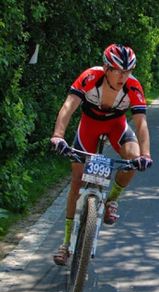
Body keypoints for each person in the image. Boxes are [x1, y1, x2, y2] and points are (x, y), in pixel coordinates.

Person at [50, 44, 153, 266]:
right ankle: (66, 244)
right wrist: (59, 136)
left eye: (128, 71)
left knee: (132, 162)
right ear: (106, 68)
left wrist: (145, 154)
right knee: (77, 181)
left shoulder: (133, 87)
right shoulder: (90, 77)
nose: (124, 77)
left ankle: (111, 200)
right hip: (89, 126)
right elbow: (69, 106)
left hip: (117, 126)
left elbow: (140, 122)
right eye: (118, 71)